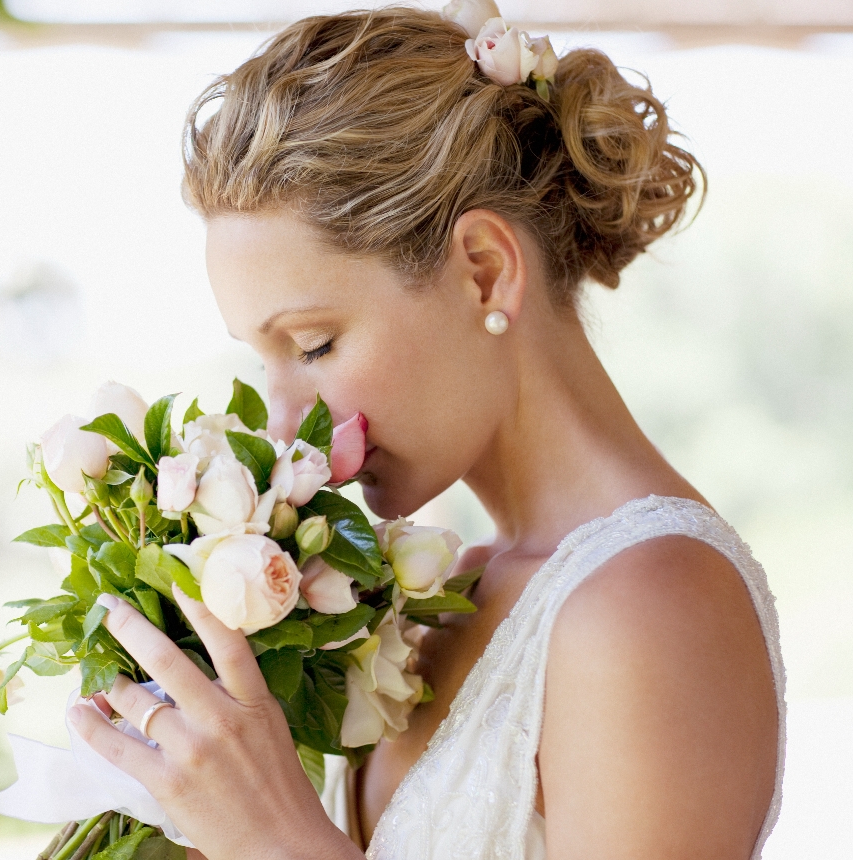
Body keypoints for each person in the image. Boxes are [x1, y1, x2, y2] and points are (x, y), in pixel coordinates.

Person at [67, 5, 784, 858]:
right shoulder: (440, 600)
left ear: (484, 272)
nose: (289, 424)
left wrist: (278, 841)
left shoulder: (651, 605)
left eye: (314, 344)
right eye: (269, 362)